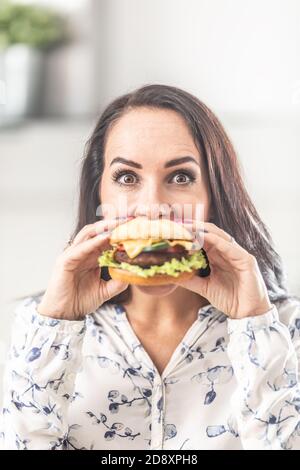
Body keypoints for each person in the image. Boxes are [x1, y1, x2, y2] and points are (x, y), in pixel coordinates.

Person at [1, 84, 299, 450]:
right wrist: (57, 324)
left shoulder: (284, 329)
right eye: (127, 178)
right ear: (100, 195)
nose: (153, 206)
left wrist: (254, 322)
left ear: (213, 196)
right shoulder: (41, 326)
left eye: (180, 177)